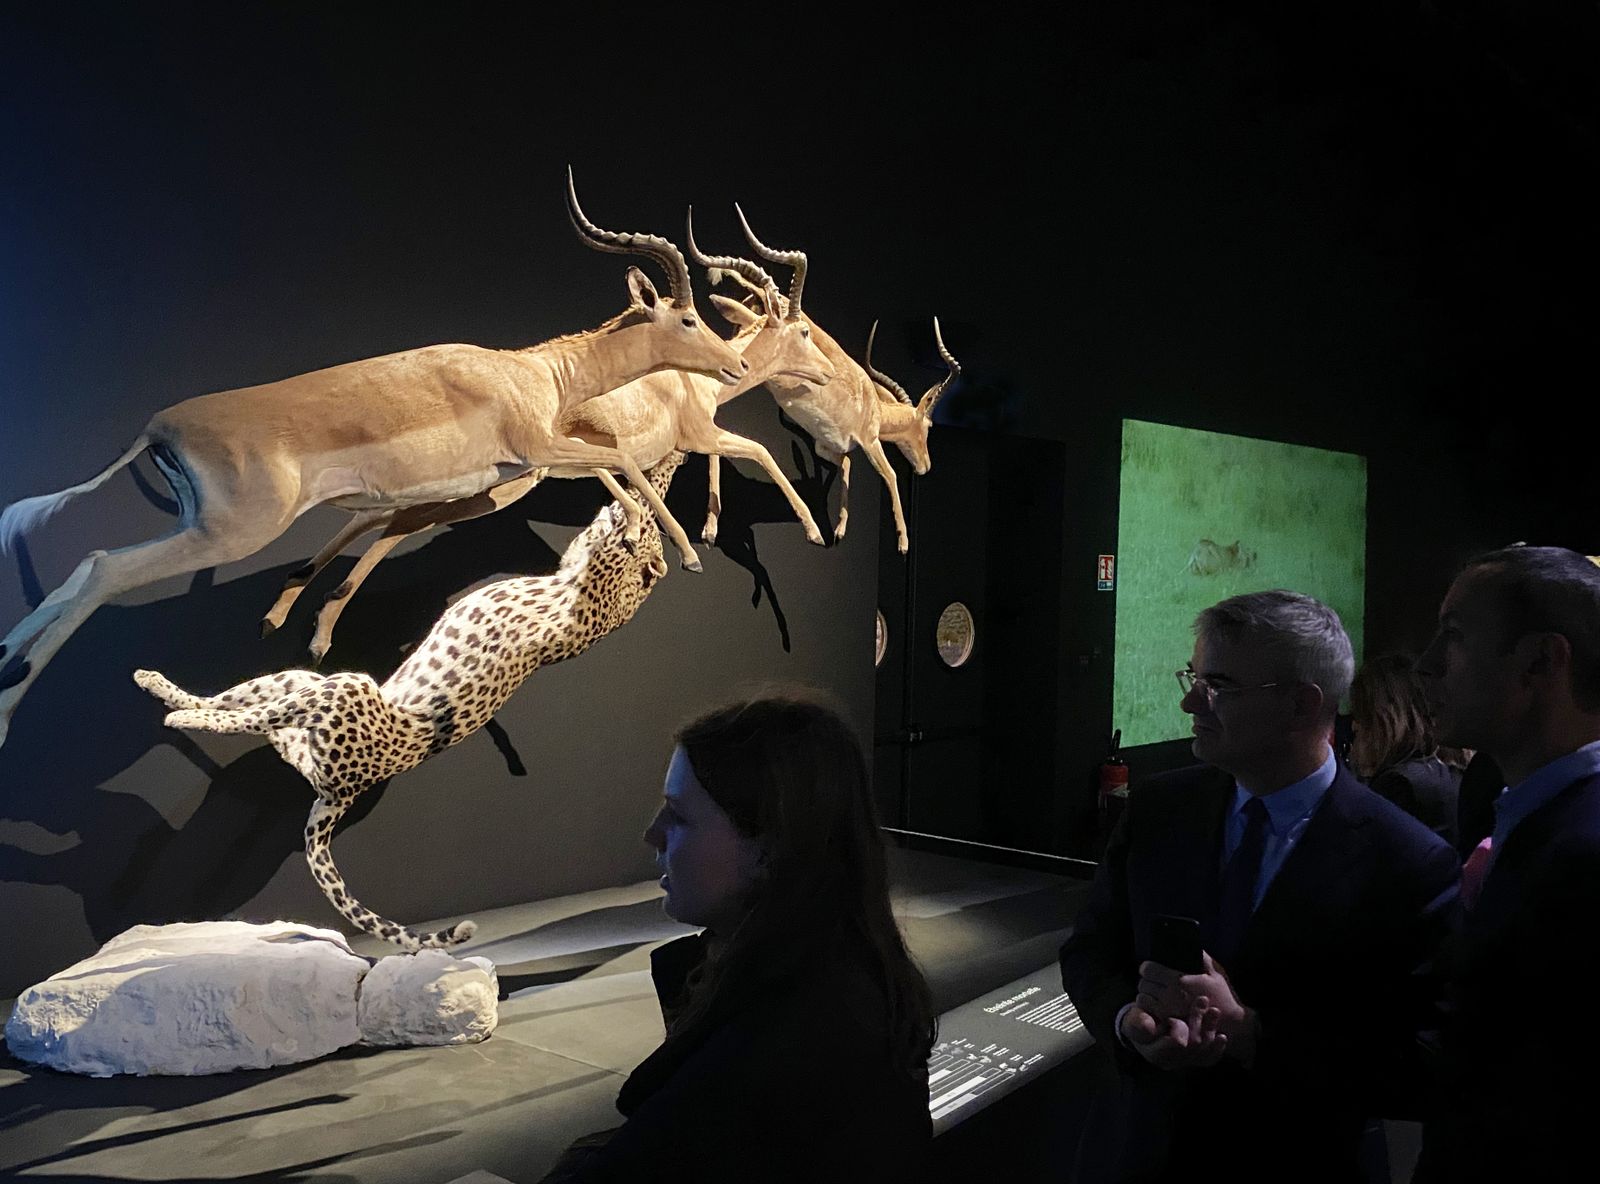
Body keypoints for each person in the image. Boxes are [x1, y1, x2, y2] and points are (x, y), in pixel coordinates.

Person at [1059, 590, 1459, 1183]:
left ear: (1302, 704)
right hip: (1135, 1154)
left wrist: (1250, 1035)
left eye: (1218, 685)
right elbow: (1091, 950)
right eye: (1194, 677)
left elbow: (1426, 1061)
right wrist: (1128, 1023)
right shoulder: (1160, 809)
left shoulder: (1406, 861)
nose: (1189, 700)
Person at [541, 694, 935, 1183]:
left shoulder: (772, 1050)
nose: (653, 834)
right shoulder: (855, 975)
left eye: (679, 816)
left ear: (768, 849)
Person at [1413, 546, 1600, 1181]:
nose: (1426, 663)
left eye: (1454, 635)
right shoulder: (1499, 797)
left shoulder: (1585, 855)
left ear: (1542, 661)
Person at [1348, 652, 1468, 848]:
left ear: (1384, 717)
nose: (1354, 726)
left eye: (1361, 714)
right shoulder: (1452, 774)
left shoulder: (1398, 785)